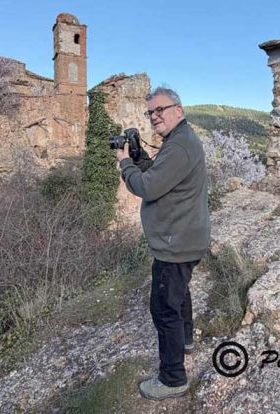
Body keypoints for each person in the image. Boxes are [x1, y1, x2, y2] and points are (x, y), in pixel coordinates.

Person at [116, 86, 211, 400]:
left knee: (163, 308)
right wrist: (141, 158)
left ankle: (172, 379)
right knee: (179, 293)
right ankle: (185, 340)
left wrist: (125, 163)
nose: (154, 116)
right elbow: (161, 176)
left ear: (178, 110)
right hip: (185, 236)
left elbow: (147, 187)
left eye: (160, 110)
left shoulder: (179, 145)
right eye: (150, 112)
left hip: (175, 241)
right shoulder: (179, 140)